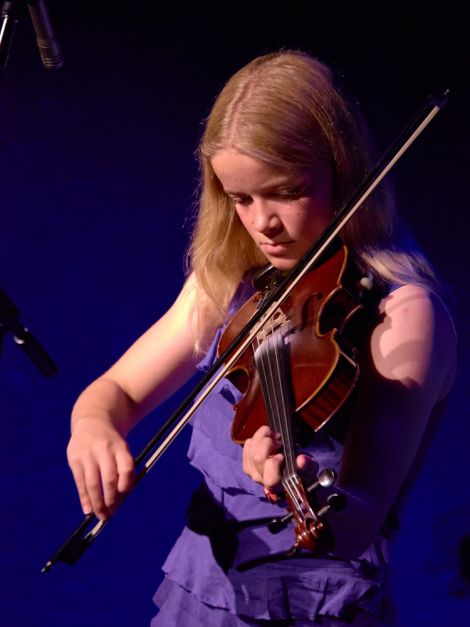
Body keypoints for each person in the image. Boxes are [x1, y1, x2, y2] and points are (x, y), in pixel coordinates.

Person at [66, 51, 457, 625]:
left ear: (343, 170)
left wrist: (303, 489)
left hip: (316, 607)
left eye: (286, 191)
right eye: (240, 199)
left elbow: (360, 518)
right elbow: (118, 389)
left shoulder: (405, 315)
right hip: (203, 591)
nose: (262, 223)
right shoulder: (232, 283)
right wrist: (93, 426)